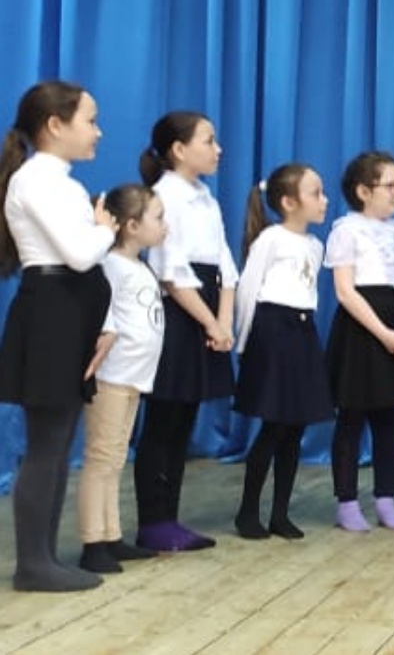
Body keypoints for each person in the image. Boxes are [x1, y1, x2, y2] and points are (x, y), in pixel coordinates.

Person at [0, 80, 115, 592]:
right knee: (47, 443)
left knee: (61, 440)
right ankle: (32, 563)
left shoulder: (61, 183)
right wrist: (106, 227)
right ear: (54, 125)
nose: (98, 131)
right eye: (89, 120)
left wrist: (102, 324)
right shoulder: (36, 180)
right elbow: (80, 254)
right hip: (51, 315)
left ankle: (44, 556)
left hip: (68, 313)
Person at [135, 110, 237, 552]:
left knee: (184, 420)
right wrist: (210, 321)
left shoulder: (206, 197)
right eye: (208, 140)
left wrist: (225, 320)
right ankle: (153, 521)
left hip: (209, 309)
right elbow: (171, 271)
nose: (218, 149)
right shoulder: (165, 196)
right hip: (180, 314)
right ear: (179, 149)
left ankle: (170, 518)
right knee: (164, 419)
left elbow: (225, 263)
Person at [232, 163, 336, 540]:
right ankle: (247, 512)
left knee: (295, 427)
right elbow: (248, 291)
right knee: (274, 424)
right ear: (289, 202)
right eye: (316, 193)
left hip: (302, 331)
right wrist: (244, 342)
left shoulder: (315, 245)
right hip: (272, 331)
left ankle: (280, 513)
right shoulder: (270, 239)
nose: (324, 200)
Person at [325, 151, 394, 532]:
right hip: (362, 330)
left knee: (388, 418)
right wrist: (384, 334)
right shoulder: (347, 231)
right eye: (390, 186)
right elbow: (345, 291)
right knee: (351, 418)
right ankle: (347, 501)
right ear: (364, 191)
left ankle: (386, 498)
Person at [77, 184, 166, 574]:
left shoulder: (139, 266)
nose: (165, 225)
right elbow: (102, 309)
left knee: (114, 458)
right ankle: (92, 542)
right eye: (158, 217)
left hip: (133, 376)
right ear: (131, 225)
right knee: (101, 457)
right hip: (112, 375)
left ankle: (111, 535)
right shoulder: (111, 265)